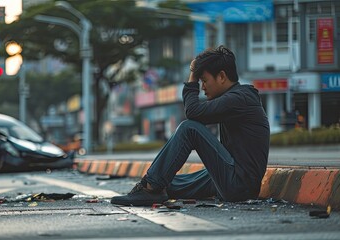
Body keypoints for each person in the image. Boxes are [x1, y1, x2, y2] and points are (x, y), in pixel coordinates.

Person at [111, 46, 270, 206]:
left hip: (239, 185)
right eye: (200, 82)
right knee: (169, 183)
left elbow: (193, 112)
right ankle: (152, 186)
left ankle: (150, 188)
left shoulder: (239, 98)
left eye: (204, 81)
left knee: (189, 128)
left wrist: (193, 75)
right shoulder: (236, 98)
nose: (202, 87)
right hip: (232, 178)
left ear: (222, 76)